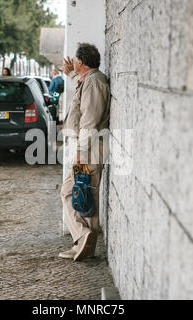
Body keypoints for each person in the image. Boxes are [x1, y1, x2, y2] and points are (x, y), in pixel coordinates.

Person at [59, 43, 111, 262]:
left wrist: (80, 152)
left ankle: (83, 235)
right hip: (90, 147)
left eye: (75, 63)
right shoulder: (90, 80)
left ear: (81, 62)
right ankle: (84, 246)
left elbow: (89, 120)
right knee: (87, 194)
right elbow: (83, 86)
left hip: (90, 149)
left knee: (69, 192)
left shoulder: (94, 82)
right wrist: (71, 74)